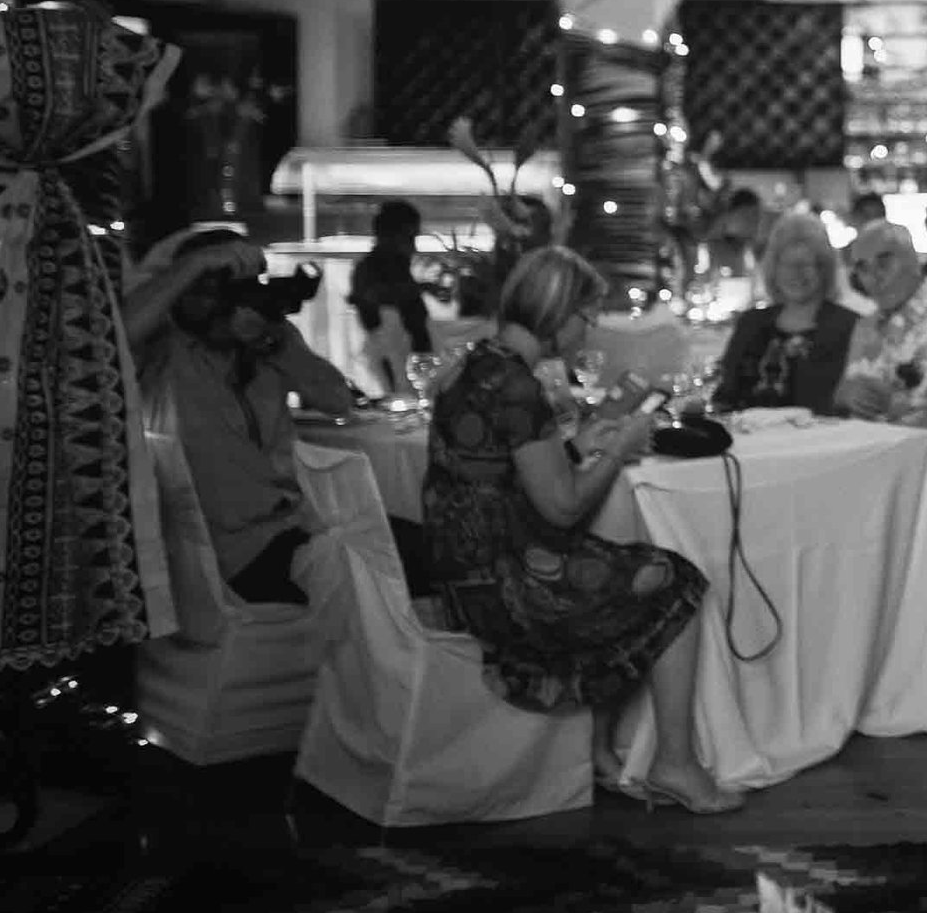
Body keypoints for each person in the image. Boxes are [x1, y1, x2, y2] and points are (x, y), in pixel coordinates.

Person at [423, 246, 740, 814]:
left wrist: (573, 447)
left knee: (618, 557)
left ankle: (598, 749)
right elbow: (563, 509)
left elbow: (498, 471)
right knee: (677, 579)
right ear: (557, 312)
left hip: (461, 571)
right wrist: (617, 450)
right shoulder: (519, 388)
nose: (588, 329)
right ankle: (675, 764)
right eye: (587, 316)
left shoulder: (474, 368)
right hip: (510, 591)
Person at [129, 230, 433, 605]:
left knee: (430, 548)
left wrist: (273, 343)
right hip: (231, 556)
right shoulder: (164, 349)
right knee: (377, 573)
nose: (222, 307)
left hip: (295, 527)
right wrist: (196, 264)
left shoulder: (266, 340)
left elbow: (337, 400)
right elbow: (120, 331)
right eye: (207, 291)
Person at [836, 219, 927, 476]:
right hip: (878, 469)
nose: (875, 277)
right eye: (863, 268)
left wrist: (877, 450)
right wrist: (848, 394)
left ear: (912, 259)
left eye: (884, 262)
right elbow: (842, 396)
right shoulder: (866, 326)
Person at [710, 213, 861, 416]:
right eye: (787, 265)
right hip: (747, 441)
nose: (796, 274)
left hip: (818, 443)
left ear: (824, 270)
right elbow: (724, 395)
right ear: (773, 269)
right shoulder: (751, 323)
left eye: (806, 265)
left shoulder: (849, 326)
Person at [348, 198, 432, 395]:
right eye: (409, 238)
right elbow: (376, 305)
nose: (414, 247)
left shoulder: (398, 269)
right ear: (390, 236)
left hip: (410, 367)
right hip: (394, 372)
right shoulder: (370, 270)